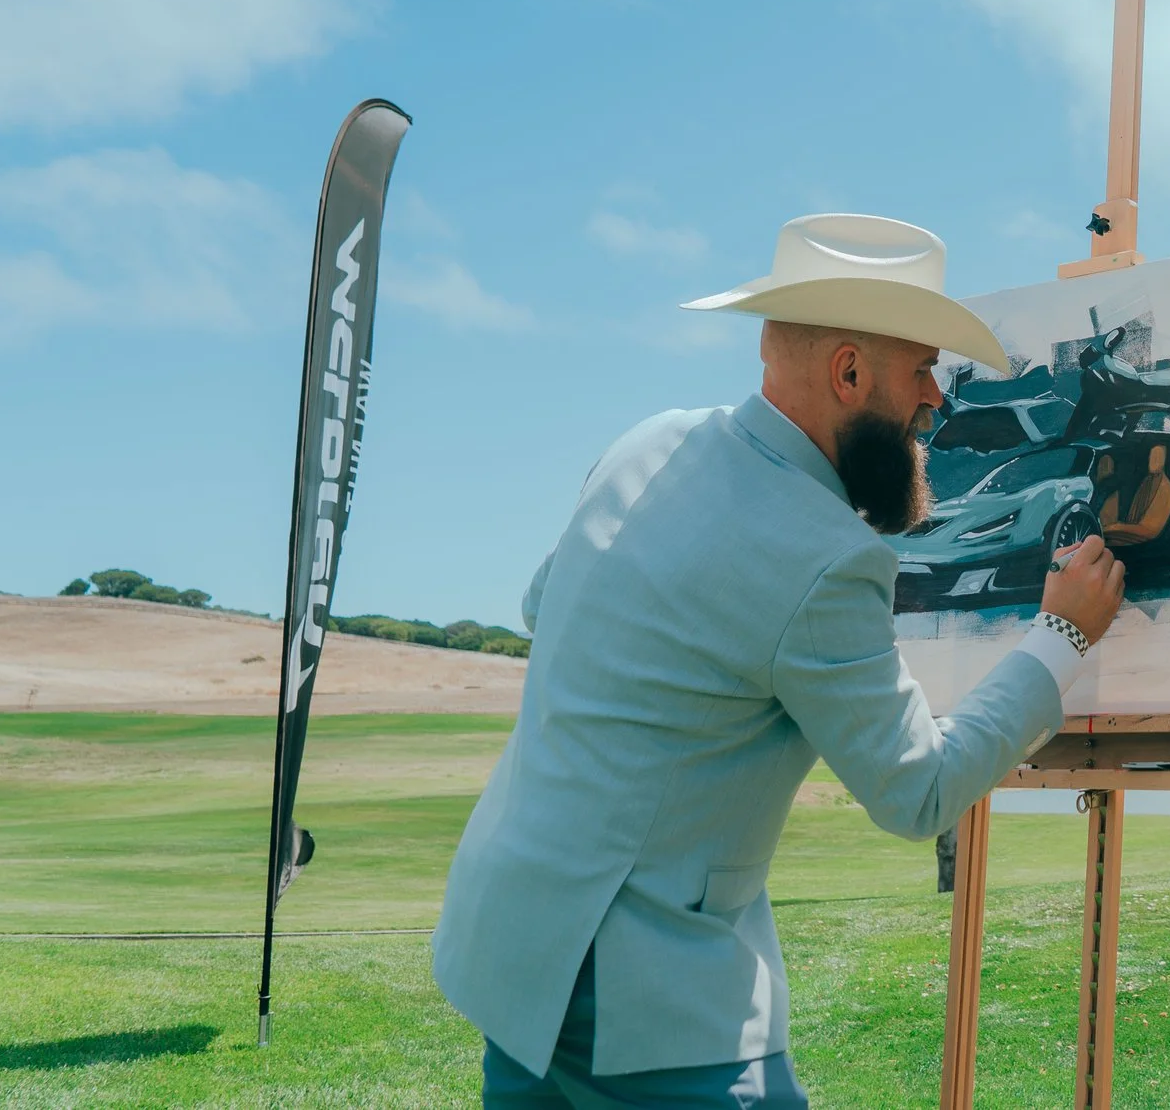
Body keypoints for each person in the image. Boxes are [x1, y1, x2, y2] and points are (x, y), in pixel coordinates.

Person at [432, 214, 1126, 1108]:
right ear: (848, 372)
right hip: (648, 998)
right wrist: (1061, 635)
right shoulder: (827, 554)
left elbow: (543, 603)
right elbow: (917, 790)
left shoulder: (649, 440)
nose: (936, 400)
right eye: (921, 369)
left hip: (510, 947)